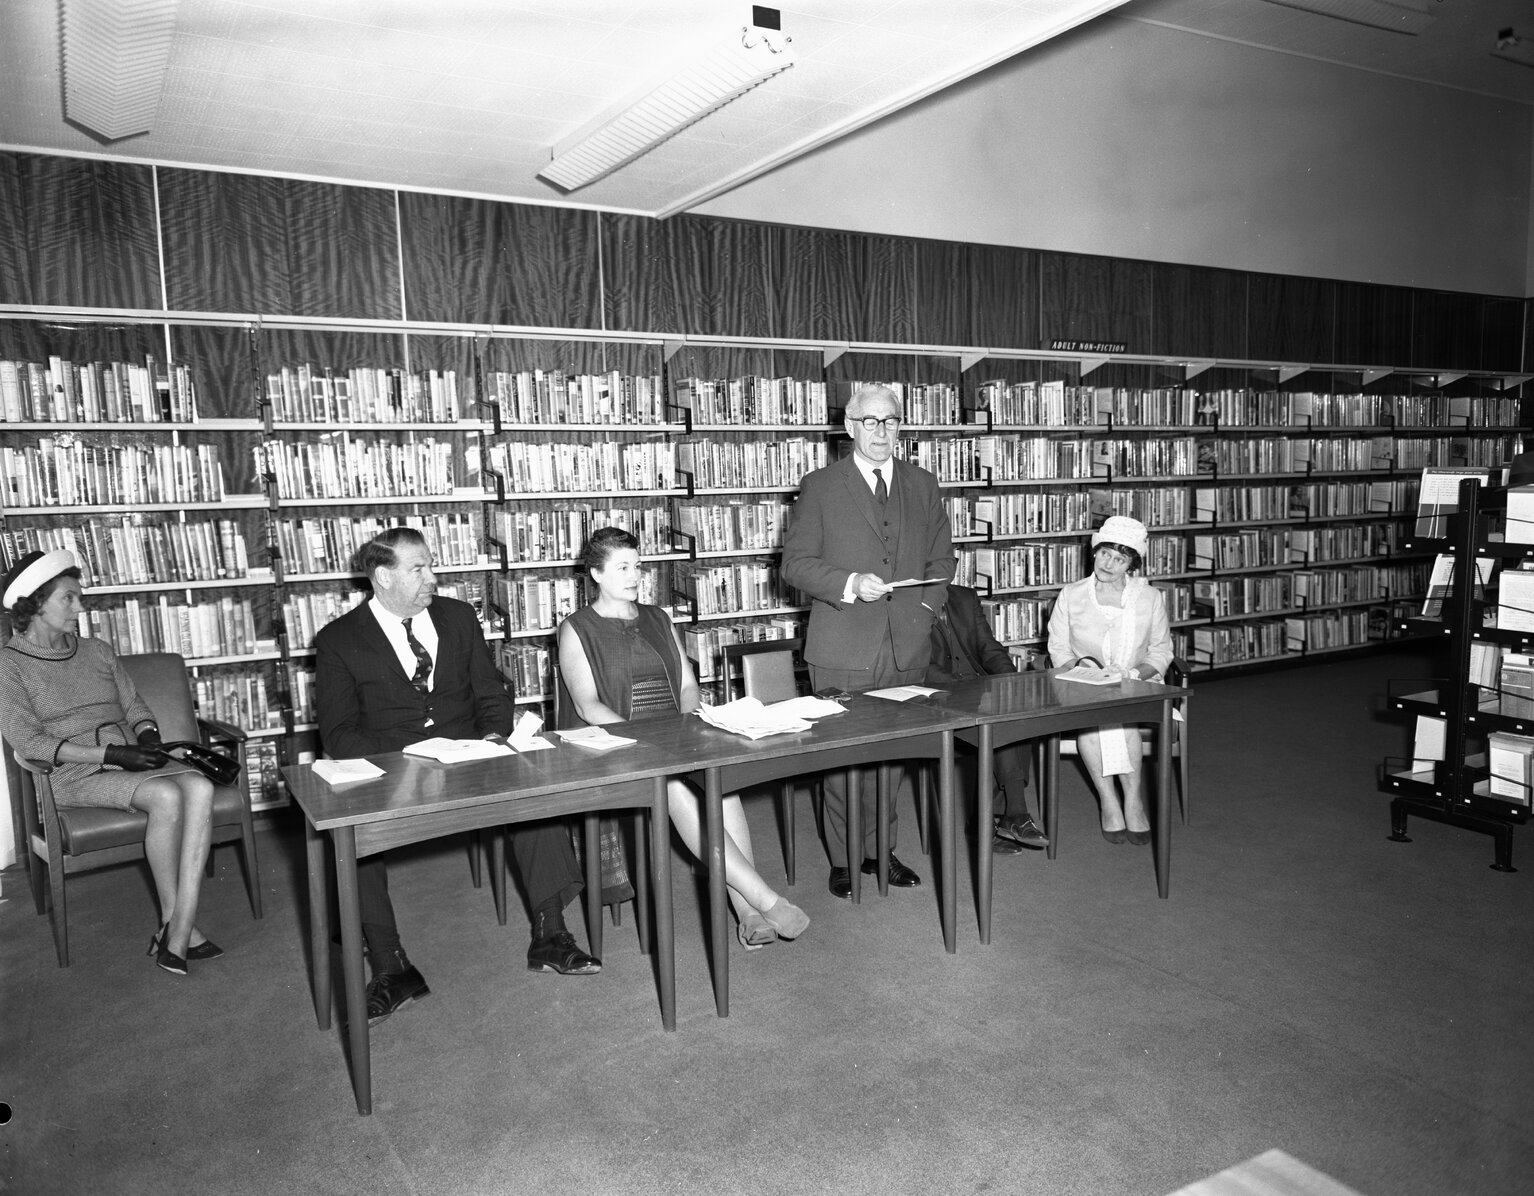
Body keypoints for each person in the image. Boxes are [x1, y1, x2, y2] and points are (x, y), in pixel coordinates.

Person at [315, 526, 599, 1026]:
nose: (433, 577)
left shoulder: (458, 617)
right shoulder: (339, 640)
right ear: (382, 576)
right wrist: (409, 755)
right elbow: (339, 734)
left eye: (431, 565)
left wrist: (492, 737)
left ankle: (551, 934)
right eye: (419, 568)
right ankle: (390, 965)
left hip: (471, 755)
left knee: (534, 793)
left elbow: (491, 693)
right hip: (396, 764)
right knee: (349, 831)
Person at [558, 527, 810, 951]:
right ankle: (766, 898)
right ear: (596, 574)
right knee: (677, 786)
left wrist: (691, 726)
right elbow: (587, 707)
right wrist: (647, 742)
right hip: (616, 744)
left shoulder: (658, 617)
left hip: (674, 736)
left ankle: (748, 915)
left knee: (721, 786)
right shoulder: (576, 628)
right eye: (623, 567)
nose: (636, 575)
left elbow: (689, 687)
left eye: (638, 566)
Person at [0, 549, 221, 976]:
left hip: (129, 760)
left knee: (201, 785)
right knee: (167, 795)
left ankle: (177, 927)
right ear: (35, 603)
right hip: (71, 775)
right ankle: (180, 931)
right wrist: (112, 754)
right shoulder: (8, 665)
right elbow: (28, 741)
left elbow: (134, 705)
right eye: (69, 599)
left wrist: (149, 738)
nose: (81, 608)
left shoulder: (96, 651)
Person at [781, 383, 956, 899]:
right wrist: (849, 583)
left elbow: (942, 562)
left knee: (893, 756)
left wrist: (925, 611)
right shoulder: (820, 485)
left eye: (891, 421)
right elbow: (795, 564)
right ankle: (844, 858)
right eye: (871, 422)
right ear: (851, 427)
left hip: (907, 641)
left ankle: (882, 852)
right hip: (842, 643)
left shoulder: (923, 484)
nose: (882, 432)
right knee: (839, 758)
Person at [1046, 516, 1173, 846]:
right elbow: (1058, 646)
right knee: (1095, 720)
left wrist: (1131, 674)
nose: (1109, 564)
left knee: (1121, 713)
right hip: (1082, 682)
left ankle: (1133, 800)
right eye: (1105, 554)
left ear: (1131, 564)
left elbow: (1161, 650)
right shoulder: (1071, 595)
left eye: (1120, 559)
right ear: (1095, 552)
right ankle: (1109, 800)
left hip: (1138, 683)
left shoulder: (1149, 598)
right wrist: (1085, 671)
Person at [925, 584, 1050, 853]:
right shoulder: (904, 600)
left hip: (979, 691)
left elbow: (989, 648)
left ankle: (997, 820)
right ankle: (1012, 814)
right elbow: (916, 663)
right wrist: (965, 690)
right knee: (996, 721)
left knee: (1017, 711)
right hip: (938, 697)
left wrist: (1010, 683)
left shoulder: (964, 596)